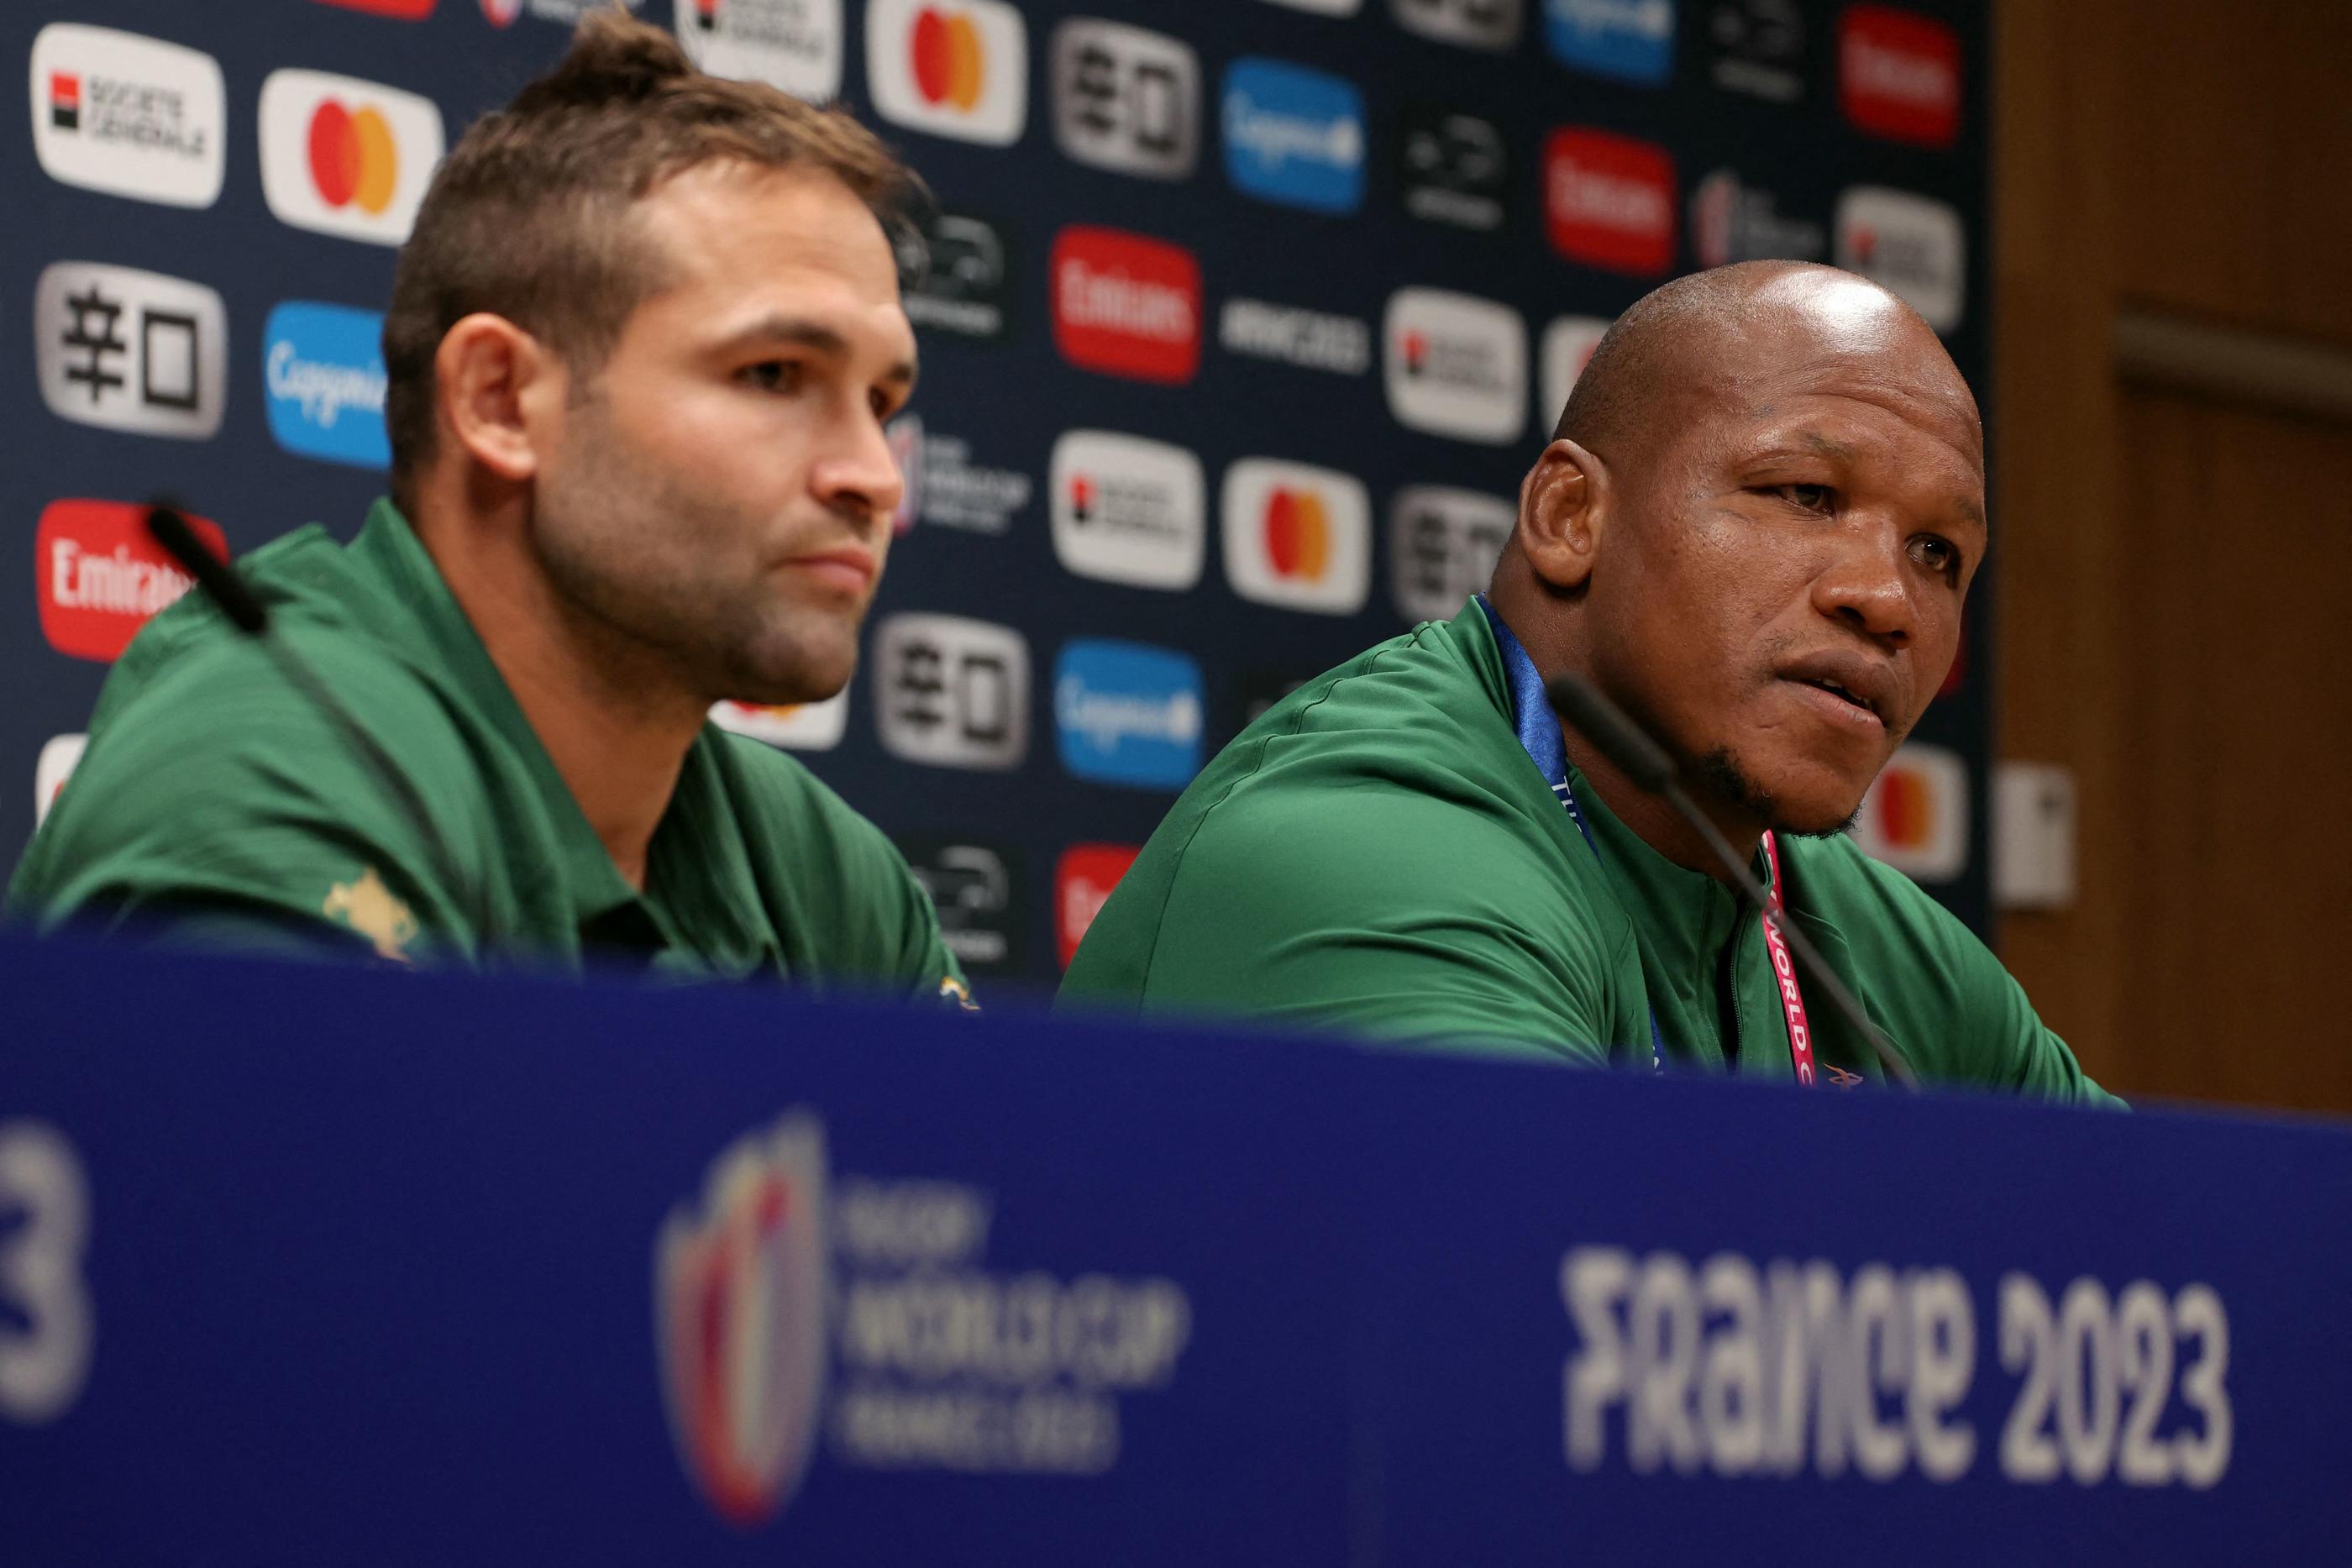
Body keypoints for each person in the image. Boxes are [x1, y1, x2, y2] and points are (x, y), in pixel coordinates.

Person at [10, 13, 969, 1004]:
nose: (873, 475)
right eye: (773, 374)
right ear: (499, 401)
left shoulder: (822, 871)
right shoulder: (266, 784)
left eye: (881, 403)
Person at [1062, 261, 2113, 1099]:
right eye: (1803, 493)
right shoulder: (1375, 847)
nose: (1885, 598)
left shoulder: (1871, 949)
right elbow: (1529, 1323)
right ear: (1571, 517)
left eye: (1938, 554)